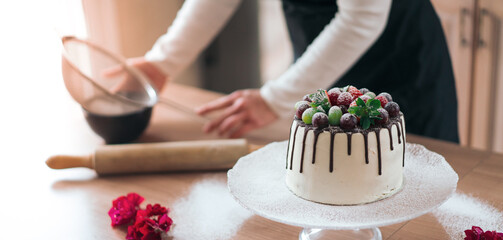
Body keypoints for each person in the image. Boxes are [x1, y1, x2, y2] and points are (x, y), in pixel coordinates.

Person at [131, 0, 460, 143]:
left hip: (399, 62)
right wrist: (163, 63)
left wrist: (273, 99)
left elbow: (362, 18)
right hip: (322, 60)